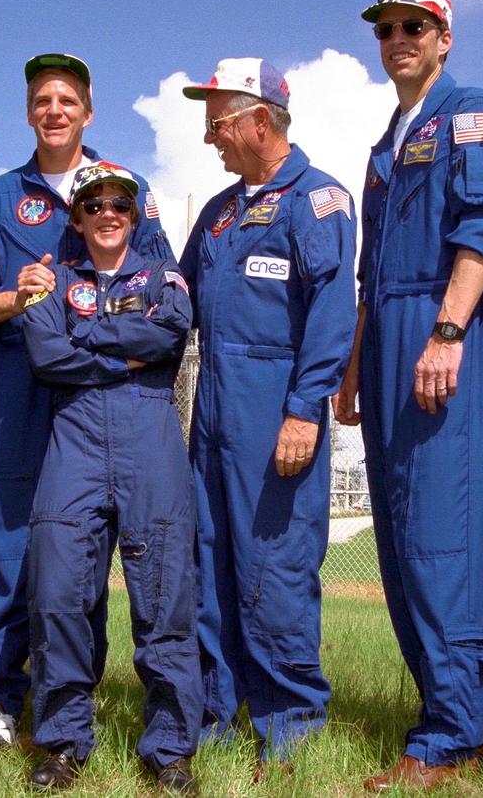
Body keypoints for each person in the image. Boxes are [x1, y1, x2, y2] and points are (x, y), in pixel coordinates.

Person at [0, 53, 173, 745]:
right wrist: (16, 298)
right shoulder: (1, 196)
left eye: (67, 99)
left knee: (92, 551)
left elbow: (162, 285)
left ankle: (77, 694)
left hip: (105, 401)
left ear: (88, 110)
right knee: (17, 543)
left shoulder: (125, 188)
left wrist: (112, 354)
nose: (54, 110)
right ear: (28, 111)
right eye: (42, 99)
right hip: (24, 389)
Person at [332, 0, 483, 791]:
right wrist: (353, 364)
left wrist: (447, 330)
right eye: (388, 28)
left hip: (441, 329)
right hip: (386, 338)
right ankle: (459, 720)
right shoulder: (386, 140)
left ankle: (453, 733)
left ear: (444, 37)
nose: (400, 38)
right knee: (403, 541)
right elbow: (371, 274)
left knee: (442, 538)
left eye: (416, 25)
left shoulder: (470, 109)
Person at [179, 58, 357, 767]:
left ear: (259, 120)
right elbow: (178, 291)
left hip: (275, 412)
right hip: (212, 418)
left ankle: (291, 728)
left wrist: (304, 410)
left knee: (275, 567)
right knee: (211, 563)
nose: (209, 138)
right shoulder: (220, 213)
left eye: (217, 123)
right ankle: (215, 713)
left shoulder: (318, 201)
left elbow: (331, 314)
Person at [21, 162, 201, 795]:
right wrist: (120, 353)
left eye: (119, 205)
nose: (106, 214)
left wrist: (86, 341)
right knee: (59, 593)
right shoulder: (50, 282)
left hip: (148, 436)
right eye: (92, 205)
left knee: (165, 595)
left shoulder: (164, 277)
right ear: (76, 218)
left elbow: (168, 333)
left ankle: (171, 749)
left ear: (134, 214)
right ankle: (64, 741)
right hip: (73, 441)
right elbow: (45, 354)